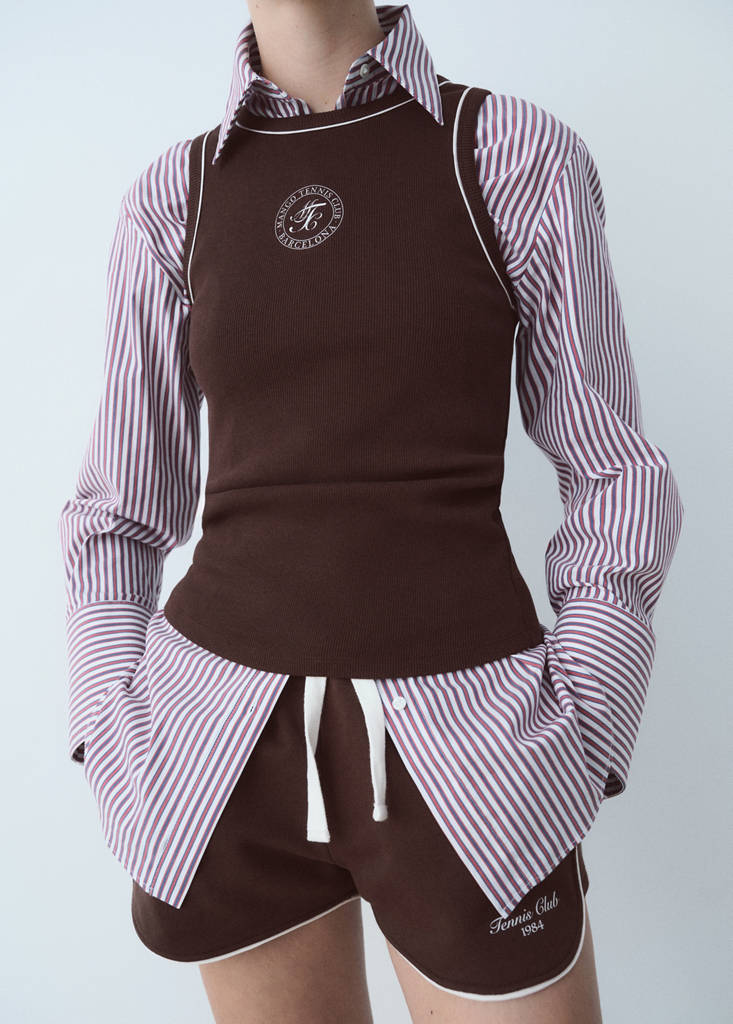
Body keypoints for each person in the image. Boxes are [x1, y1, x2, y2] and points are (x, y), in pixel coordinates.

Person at [57, 2, 684, 1022]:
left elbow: (612, 468)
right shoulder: (173, 197)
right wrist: (105, 721)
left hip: (476, 752)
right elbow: (118, 511)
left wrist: (586, 726)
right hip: (215, 753)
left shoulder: (508, 152)